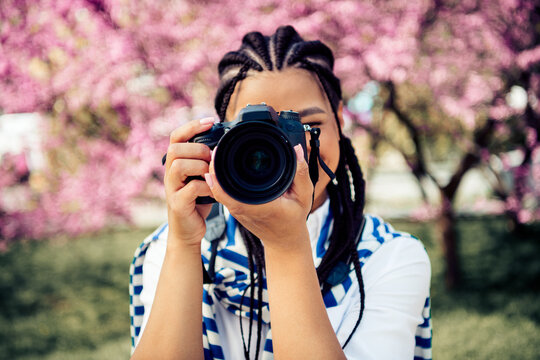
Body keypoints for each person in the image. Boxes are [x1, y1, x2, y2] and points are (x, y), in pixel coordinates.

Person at [129, 25, 431, 360]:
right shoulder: (172, 246)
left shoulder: (388, 257)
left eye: (308, 128)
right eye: (260, 135)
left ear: (340, 120)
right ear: (222, 138)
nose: (292, 151)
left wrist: (286, 245)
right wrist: (184, 245)